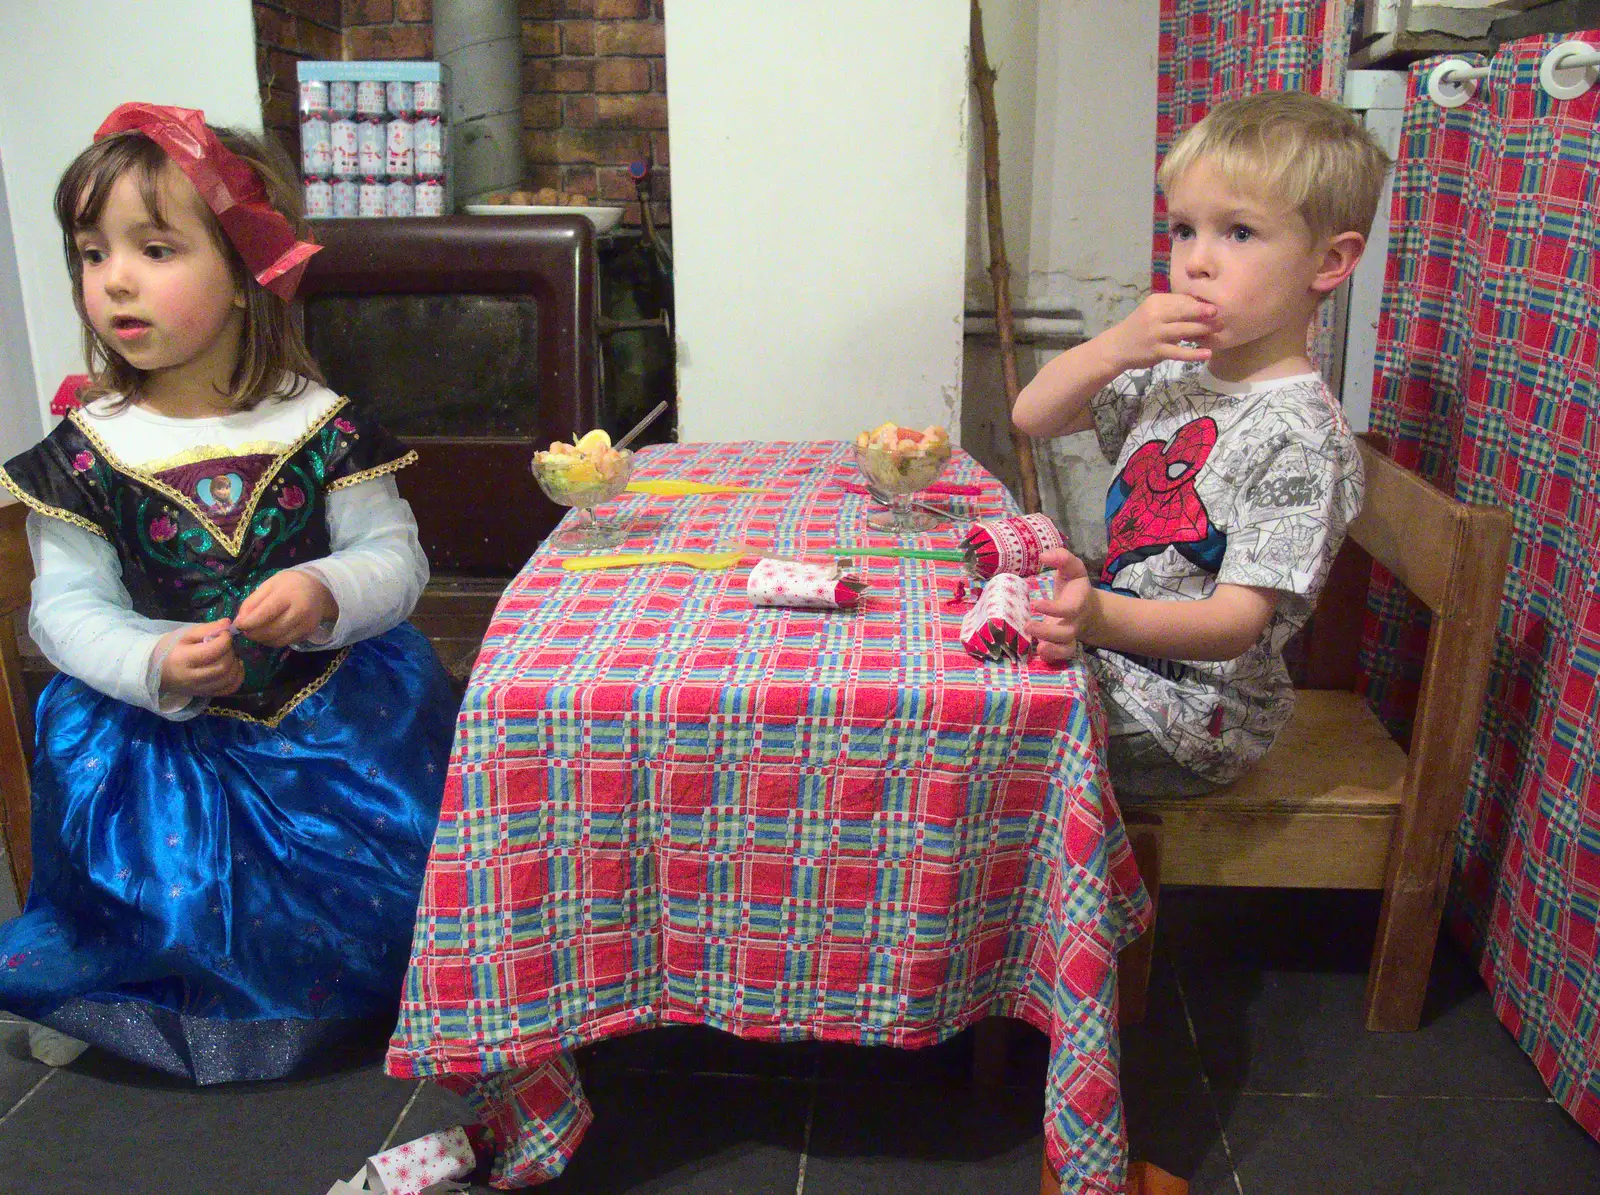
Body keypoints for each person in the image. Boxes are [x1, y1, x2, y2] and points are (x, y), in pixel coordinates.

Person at [0, 103, 458, 1082]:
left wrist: (327, 589)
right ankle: (140, 997)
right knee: (169, 887)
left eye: (155, 248)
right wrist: (151, 658)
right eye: (90, 252)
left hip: (327, 715)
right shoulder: (84, 456)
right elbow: (63, 609)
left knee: (382, 845)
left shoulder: (324, 427)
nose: (113, 278)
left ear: (249, 277)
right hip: (153, 731)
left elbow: (395, 557)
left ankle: (373, 984)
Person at [1013, 90, 1391, 799]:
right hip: (1118, 656)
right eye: (1185, 229)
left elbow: (1231, 625)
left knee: (993, 742)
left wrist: (1098, 615)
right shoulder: (1177, 374)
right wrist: (1115, 345)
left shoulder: (1302, 438)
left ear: (1330, 261)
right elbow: (1033, 413)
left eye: (1239, 233)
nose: (1196, 261)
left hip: (1192, 718)